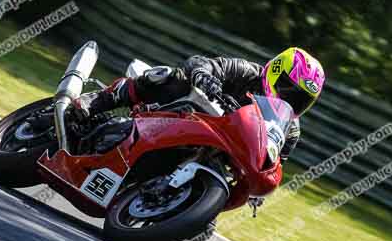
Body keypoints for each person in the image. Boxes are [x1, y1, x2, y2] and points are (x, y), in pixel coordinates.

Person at [72, 47, 326, 161]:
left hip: (214, 150)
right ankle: (97, 101)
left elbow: (273, 162)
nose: (290, 100)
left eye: (300, 100)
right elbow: (202, 63)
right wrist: (205, 76)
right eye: (288, 90)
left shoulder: (289, 130)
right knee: (172, 76)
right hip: (184, 114)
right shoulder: (247, 72)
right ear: (275, 71)